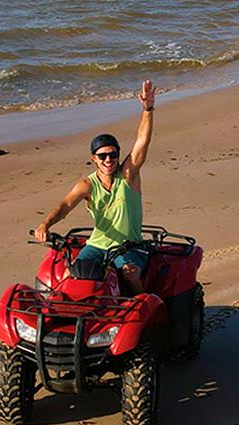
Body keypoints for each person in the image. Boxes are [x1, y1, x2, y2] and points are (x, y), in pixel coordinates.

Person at [34, 79, 156, 294]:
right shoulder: (87, 185)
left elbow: (142, 141)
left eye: (113, 154)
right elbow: (64, 207)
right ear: (94, 158)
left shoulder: (128, 175)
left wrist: (148, 109)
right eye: (102, 156)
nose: (108, 159)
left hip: (129, 247)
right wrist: (45, 225)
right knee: (69, 276)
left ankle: (144, 311)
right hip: (97, 245)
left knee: (130, 274)